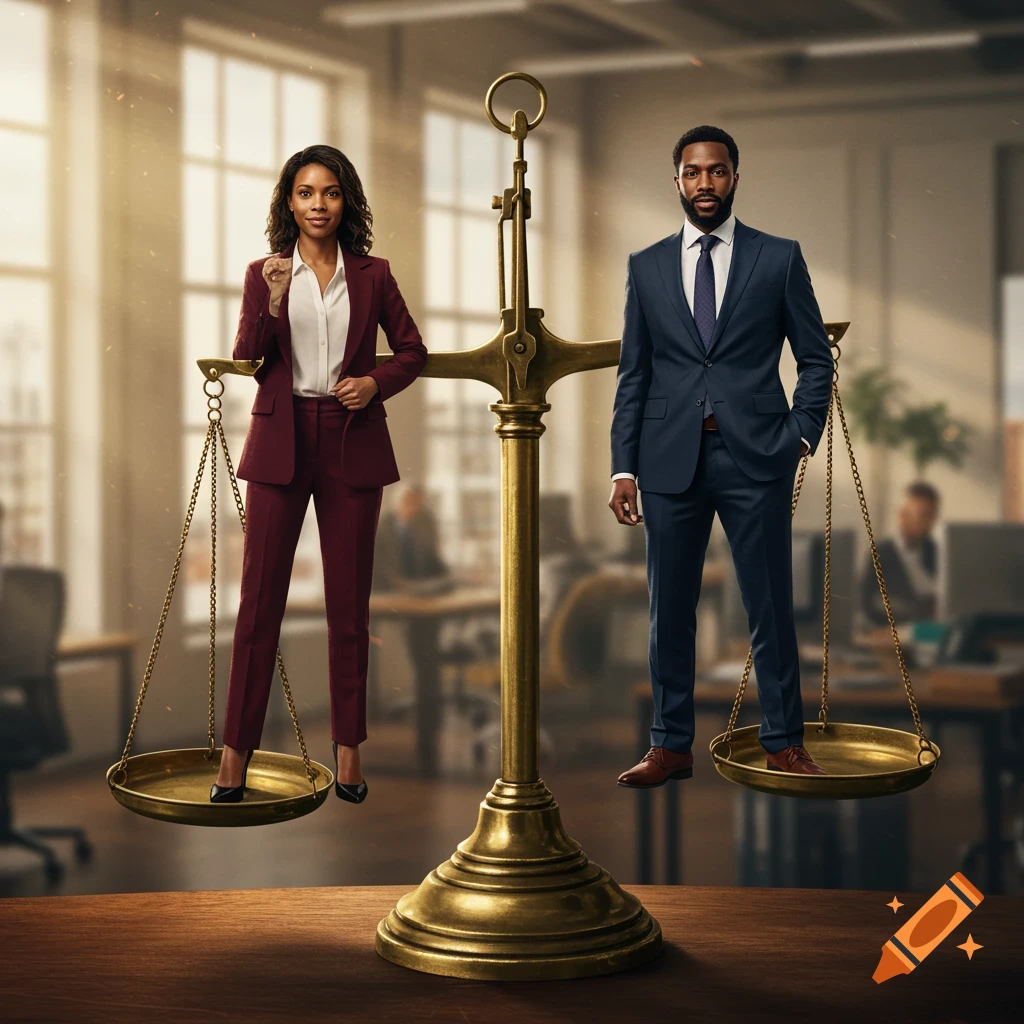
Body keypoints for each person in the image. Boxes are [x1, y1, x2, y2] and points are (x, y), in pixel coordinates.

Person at [609, 125, 835, 785]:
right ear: (676, 180)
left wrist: (800, 432)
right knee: (668, 609)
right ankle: (669, 745)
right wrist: (624, 465)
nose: (704, 183)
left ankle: (784, 741)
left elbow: (815, 358)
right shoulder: (646, 266)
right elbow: (634, 376)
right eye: (692, 172)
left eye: (716, 171)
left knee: (768, 605)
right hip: (668, 460)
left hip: (757, 456)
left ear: (735, 176)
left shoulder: (778, 258)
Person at [211, 145, 427, 805]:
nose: (318, 204)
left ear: (346, 202)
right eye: (306, 193)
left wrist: (374, 381)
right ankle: (233, 755)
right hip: (281, 438)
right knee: (258, 606)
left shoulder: (373, 273)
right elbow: (248, 356)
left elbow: (414, 351)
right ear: (290, 203)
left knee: (349, 606)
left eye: (330, 192)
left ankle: (349, 748)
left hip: (349, 436)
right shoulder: (264, 272)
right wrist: (273, 299)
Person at [861, 481, 940, 627]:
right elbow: (868, 604)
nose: (928, 522)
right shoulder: (881, 553)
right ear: (903, 514)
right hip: (896, 631)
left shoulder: (934, 550)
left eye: (932, 516)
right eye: (922, 515)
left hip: (932, 628)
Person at [373, 484, 450, 592]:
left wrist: (448, 577)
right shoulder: (380, 528)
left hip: (419, 588)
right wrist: (400, 584)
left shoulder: (425, 527)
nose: (413, 508)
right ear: (395, 504)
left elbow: (433, 561)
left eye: (418, 504)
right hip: (388, 591)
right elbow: (377, 568)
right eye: (408, 502)